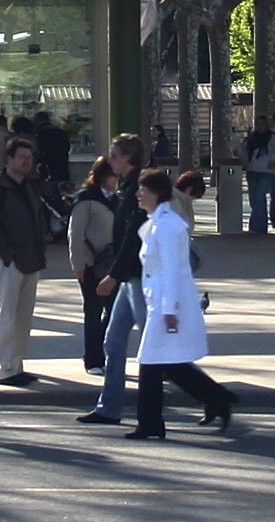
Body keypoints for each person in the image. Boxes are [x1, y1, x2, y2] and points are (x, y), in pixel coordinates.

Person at [129, 166, 237, 440]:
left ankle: (151, 422)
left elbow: (171, 270)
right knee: (165, 361)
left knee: (152, 360)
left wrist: (168, 309)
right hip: (161, 301)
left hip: (166, 303)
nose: (138, 194)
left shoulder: (165, 226)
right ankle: (216, 398)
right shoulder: (159, 223)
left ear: (155, 193)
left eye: (142, 190)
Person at [0, 137, 50, 384]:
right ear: (9, 159)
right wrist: (5, 254)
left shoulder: (30, 188)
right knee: (6, 315)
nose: (26, 162)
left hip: (31, 259)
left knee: (23, 317)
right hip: (9, 262)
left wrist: (40, 249)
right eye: (21, 157)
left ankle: (17, 365)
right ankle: (5, 368)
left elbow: (38, 222)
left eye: (29, 158)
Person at [80, 133, 142, 374]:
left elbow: (132, 236)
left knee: (143, 333)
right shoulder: (127, 188)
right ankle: (110, 395)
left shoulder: (136, 189)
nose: (110, 160)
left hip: (134, 273)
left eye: (114, 155)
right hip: (127, 273)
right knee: (114, 339)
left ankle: (165, 374)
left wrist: (113, 274)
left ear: (128, 157)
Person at [67, 161, 122, 419]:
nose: (115, 179)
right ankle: (93, 358)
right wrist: (78, 264)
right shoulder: (86, 199)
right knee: (93, 311)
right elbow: (75, 233)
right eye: (112, 175)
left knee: (113, 312)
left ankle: (105, 354)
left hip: (113, 264)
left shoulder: (116, 199)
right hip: (92, 264)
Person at [242, 113, 275, 234]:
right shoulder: (250, 139)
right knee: (253, 199)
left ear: (266, 125)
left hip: (266, 172)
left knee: (259, 196)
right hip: (252, 171)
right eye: (257, 124)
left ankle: (258, 226)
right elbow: (244, 152)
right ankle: (259, 224)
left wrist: (273, 159)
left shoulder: (272, 137)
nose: (260, 127)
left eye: (262, 124)